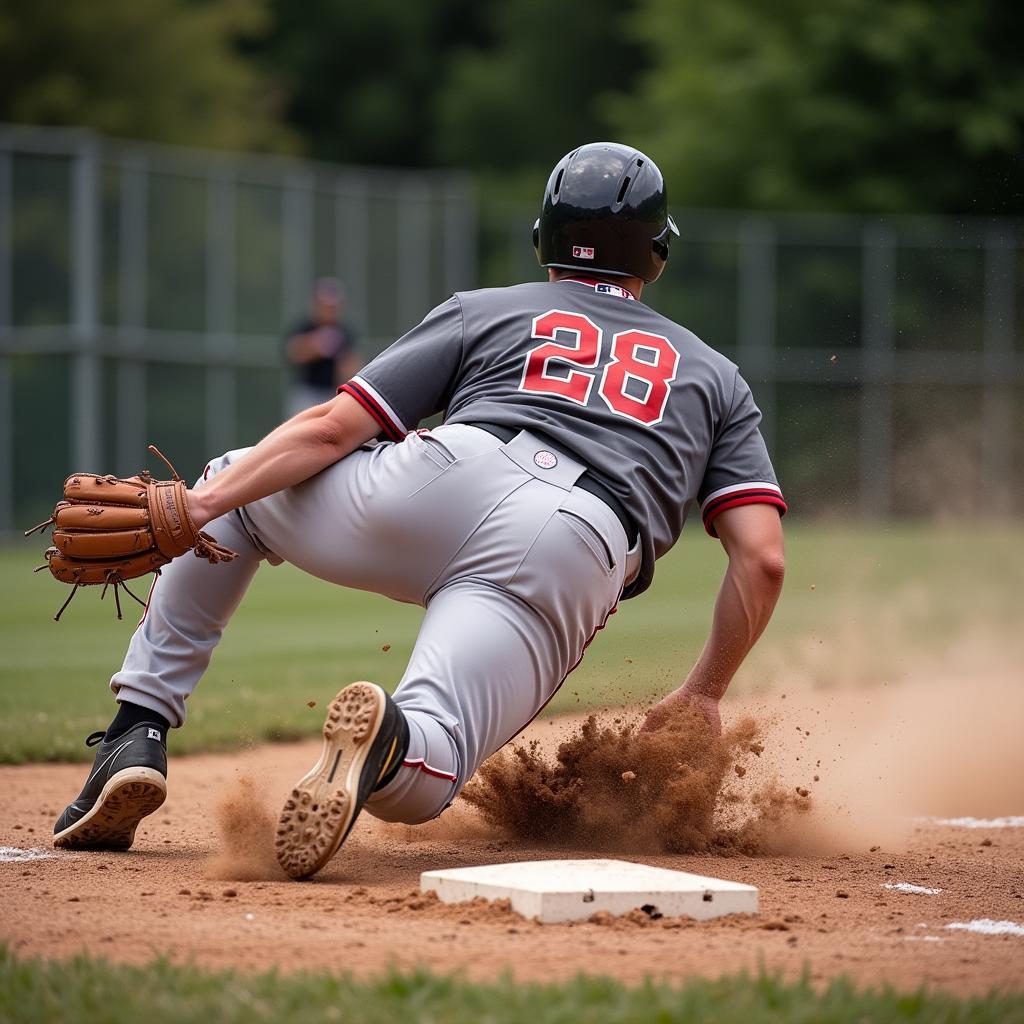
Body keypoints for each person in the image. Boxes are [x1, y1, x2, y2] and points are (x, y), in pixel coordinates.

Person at [52, 143, 787, 879]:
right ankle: (390, 739)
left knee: (237, 492)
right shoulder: (716, 378)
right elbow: (762, 559)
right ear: (657, 253)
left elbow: (333, 429)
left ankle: (136, 728)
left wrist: (203, 502)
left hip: (448, 472)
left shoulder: (488, 309)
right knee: (423, 779)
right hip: (576, 542)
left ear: (544, 239)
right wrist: (704, 691)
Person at [283, 278, 360, 415]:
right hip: (307, 393)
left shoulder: (344, 332)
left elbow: (351, 365)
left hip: (333, 394)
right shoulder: (305, 327)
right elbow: (292, 354)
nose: (328, 310)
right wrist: (315, 346)